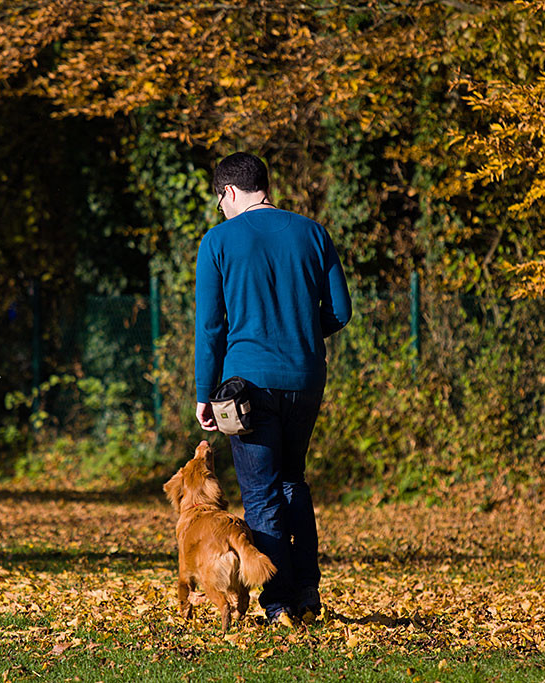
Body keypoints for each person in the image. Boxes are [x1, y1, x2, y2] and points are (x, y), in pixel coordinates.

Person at [194, 152, 352, 626]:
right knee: (293, 482)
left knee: (261, 493)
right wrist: (300, 330)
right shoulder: (313, 233)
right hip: (306, 377)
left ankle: (278, 602)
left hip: (246, 385)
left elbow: (211, 328)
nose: (220, 209)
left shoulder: (218, 241)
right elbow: (340, 311)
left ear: (229, 192)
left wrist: (204, 389)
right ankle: (306, 595)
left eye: (219, 199)